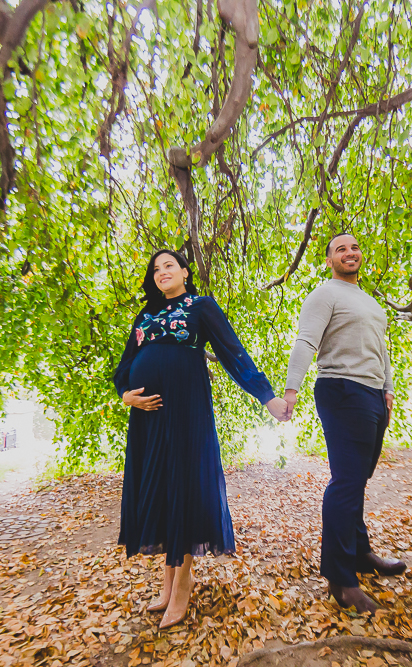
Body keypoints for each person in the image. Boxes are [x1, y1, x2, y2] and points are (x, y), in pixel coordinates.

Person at [112, 249, 288, 629]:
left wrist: (267, 396)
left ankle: (181, 584)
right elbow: (125, 365)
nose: (162, 272)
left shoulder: (200, 307)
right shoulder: (145, 316)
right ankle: (171, 576)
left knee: (185, 487)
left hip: (186, 412)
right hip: (149, 419)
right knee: (160, 489)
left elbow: (232, 353)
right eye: (156, 269)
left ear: (185, 273)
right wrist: (126, 394)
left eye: (169, 266)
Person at [281, 233, 407, 613]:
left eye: (354, 247)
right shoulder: (325, 294)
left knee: (357, 480)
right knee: (347, 482)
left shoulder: (370, 302)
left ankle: (360, 554)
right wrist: (291, 389)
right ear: (329, 260)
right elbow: (305, 342)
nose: (350, 253)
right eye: (341, 249)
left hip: (371, 394)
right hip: (340, 389)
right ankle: (340, 578)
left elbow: (380, 349)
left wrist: (387, 387)